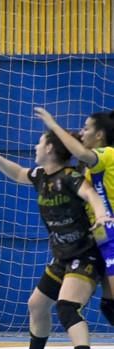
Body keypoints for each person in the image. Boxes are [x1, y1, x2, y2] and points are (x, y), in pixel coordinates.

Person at [0, 130, 111, 349]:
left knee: (67, 307)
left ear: (49, 149)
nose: (35, 146)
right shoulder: (40, 176)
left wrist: (102, 214)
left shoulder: (70, 177)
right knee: (37, 304)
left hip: (84, 254)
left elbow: (92, 195)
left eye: (40, 142)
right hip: (62, 256)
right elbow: (17, 173)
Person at [35, 108, 114, 327]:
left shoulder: (107, 154)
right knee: (109, 306)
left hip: (111, 233)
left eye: (86, 128)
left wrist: (52, 124)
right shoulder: (84, 168)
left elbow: (80, 153)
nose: (82, 132)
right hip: (101, 238)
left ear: (99, 135)